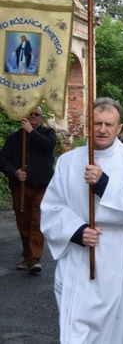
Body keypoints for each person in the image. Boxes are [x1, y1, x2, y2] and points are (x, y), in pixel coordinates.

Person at [40, 97, 123, 343]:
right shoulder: (68, 161)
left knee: (111, 325)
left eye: (109, 124)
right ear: (87, 124)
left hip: (116, 251)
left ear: (119, 126)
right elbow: (52, 207)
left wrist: (103, 183)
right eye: (97, 123)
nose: (102, 129)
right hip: (78, 251)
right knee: (75, 323)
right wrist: (77, 231)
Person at [0, 106, 57, 273]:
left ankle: (34, 259)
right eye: (30, 114)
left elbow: (48, 146)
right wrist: (15, 171)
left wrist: (31, 132)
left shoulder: (48, 133)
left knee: (37, 221)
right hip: (21, 186)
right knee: (23, 222)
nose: (33, 117)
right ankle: (28, 255)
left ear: (41, 117)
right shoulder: (14, 138)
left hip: (41, 185)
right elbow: (3, 160)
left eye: (36, 115)